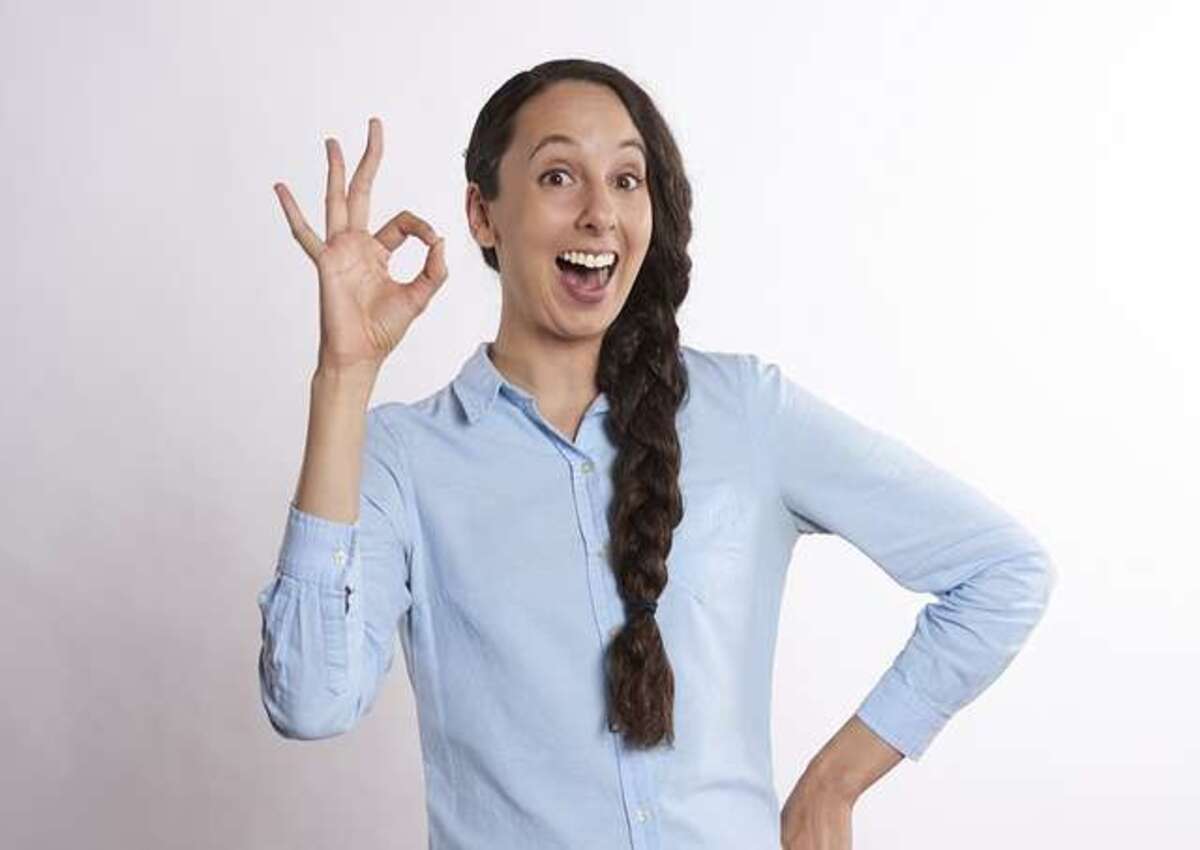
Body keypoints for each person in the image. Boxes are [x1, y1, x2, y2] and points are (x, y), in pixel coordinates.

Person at [256, 58, 1056, 850]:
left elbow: (1000, 571)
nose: (601, 213)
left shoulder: (744, 413)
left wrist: (833, 784)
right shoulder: (404, 455)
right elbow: (310, 700)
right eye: (559, 177)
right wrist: (343, 377)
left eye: (627, 180)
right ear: (482, 214)